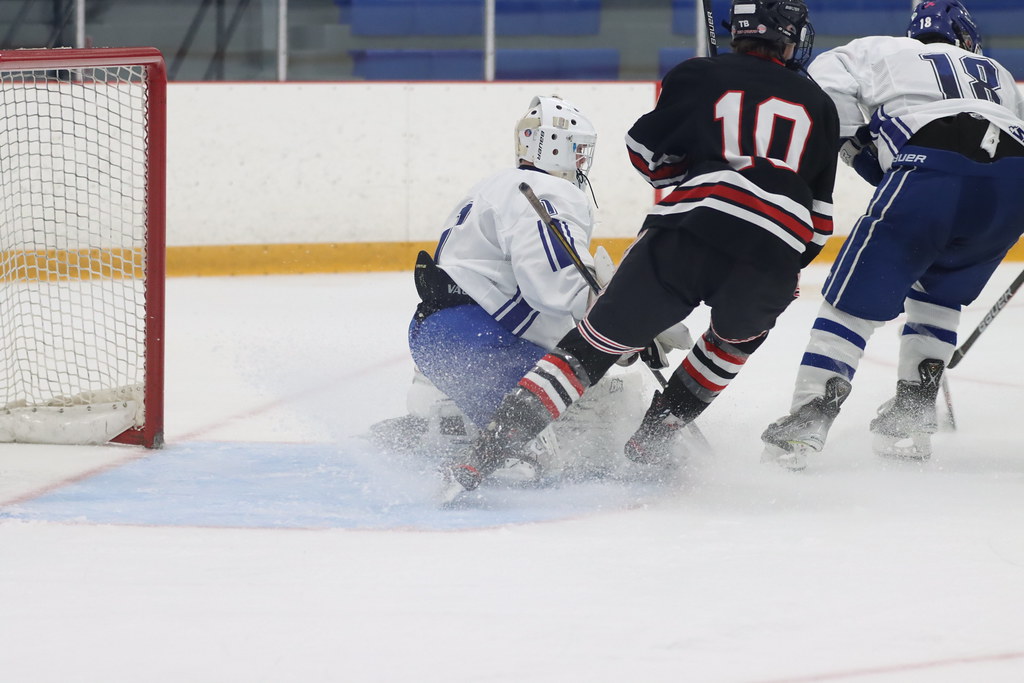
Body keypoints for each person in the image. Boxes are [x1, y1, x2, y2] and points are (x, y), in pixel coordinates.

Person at [440, 0, 839, 502]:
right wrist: (778, 262)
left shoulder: (699, 73)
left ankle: (481, 456)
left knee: (589, 349)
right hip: (775, 250)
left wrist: (691, 180)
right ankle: (651, 444)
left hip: (690, 230)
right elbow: (819, 224)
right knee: (731, 343)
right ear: (787, 38)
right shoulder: (821, 105)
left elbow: (644, 151)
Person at [761, 0, 1024, 469]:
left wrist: (856, 149)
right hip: (1014, 181)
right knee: (941, 292)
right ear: (965, 35)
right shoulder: (998, 73)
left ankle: (808, 416)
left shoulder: (883, 49)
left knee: (854, 298)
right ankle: (911, 414)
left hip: (935, 161)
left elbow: (825, 84)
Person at [397, 94, 650, 482]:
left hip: (435, 338)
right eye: (578, 151)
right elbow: (552, 284)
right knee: (603, 408)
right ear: (554, 146)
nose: (582, 162)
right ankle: (502, 454)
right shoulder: (546, 190)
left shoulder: (494, 185)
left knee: (539, 416)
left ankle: (440, 418)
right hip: (482, 339)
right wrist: (617, 322)